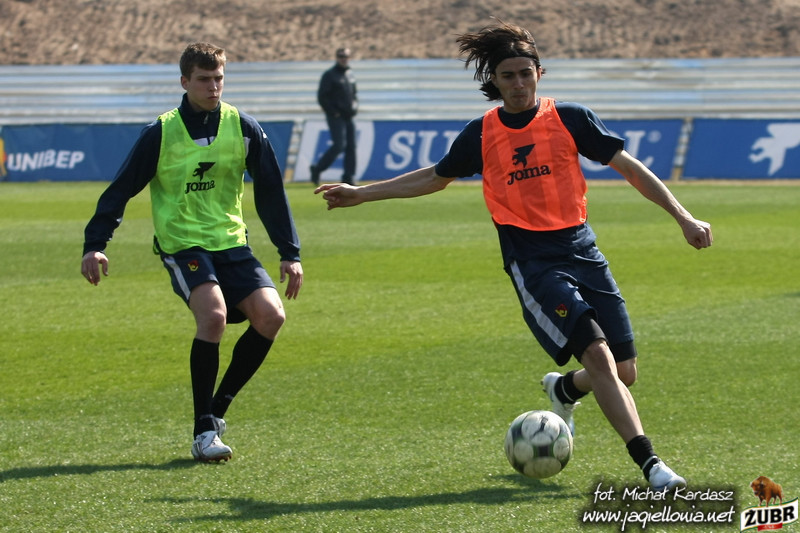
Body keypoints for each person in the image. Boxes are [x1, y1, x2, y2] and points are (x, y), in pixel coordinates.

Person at [315, 22, 713, 490]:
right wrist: (362, 193)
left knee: (625, 372)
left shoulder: (571, 118)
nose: (519, 84)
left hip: (583, 249)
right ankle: (652, 466)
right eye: (509, 76)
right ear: (494, 82)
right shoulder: (482, 133)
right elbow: (435, 177)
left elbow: (630, 168)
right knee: (600, 358)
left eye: (526, 73)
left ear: (539, 73)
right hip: (534, 262)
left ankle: (564, 388)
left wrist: (683, 217)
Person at [81, 42, 304, 462]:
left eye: (218, 78)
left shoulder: (244, 127)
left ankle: (216, 412)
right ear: (185, 82)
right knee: (214, 316)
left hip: (231, 241)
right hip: (183, 243)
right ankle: (203, 431)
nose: (213, 87)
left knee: (272, 316)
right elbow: (122, 187)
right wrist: (96, 244)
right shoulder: (161, 132)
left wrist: (289, 252)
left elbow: (271, 191)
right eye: (203, 79)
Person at [310, 47, 358, 186]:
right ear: (337, 58)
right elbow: (322, 97)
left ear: (349, 58)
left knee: (351, 146)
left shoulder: (350, 74)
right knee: (339, 145)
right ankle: (317, 169)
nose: (343, 59)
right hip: (336, 117)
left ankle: (349, 177)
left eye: (346, 56)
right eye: (341, 56)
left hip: (349, 116)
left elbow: (354, 95)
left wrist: (355, 108)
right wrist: (333, 112)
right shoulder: (330, 75)